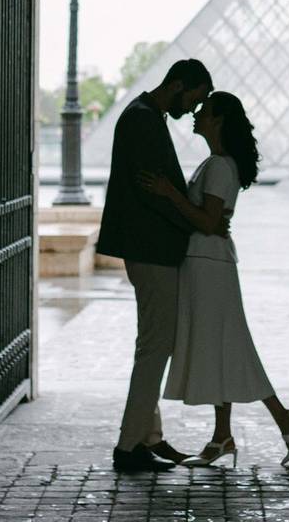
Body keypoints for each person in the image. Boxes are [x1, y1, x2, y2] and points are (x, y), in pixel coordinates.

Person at [139, 91, 289, 467]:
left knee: (226, 346)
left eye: (204, 111)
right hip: (207, 262)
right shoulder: (217, 162)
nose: (196, 115)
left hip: (208, 264)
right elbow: (212, 221)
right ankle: (228, 435)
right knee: (222, 347)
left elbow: (206, 222)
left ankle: (273, 422)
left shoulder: (219, 166)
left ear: (218, 120)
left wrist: (169, 193)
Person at [96, 59, 215, 472]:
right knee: (154, 349)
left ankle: (148, 439)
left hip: (148, 249)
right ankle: (129, 448)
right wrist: (199, 223)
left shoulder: (143, 114)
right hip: (153, 250)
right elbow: (154, 193)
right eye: (193, 100)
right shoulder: (143, 120)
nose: (193, 111)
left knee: (152, 344)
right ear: (178, 85)